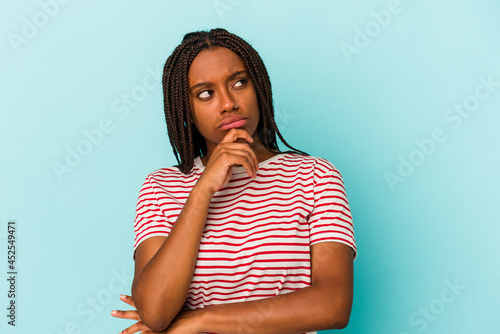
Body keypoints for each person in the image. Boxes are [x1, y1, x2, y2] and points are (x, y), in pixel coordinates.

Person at [111, 28, 357, 334]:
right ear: (187, 111)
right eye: (205, 93)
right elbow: (156, 314)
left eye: (239, 83)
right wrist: (202, 191)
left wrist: (198, 320)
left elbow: (332, 304)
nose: (228, 103)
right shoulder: (161, 188)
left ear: (259, 88)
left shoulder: (315, 176)